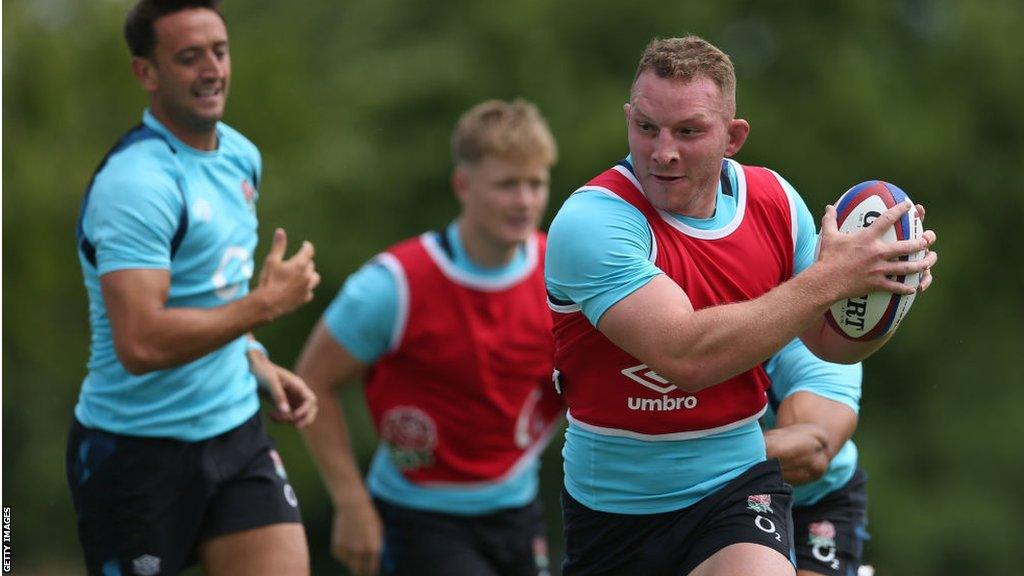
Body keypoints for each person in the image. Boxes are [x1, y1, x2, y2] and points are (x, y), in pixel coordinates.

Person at [544, 35, 937, 576]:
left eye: (688, 131)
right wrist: (829, 279)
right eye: (646, 127)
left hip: (737, 485)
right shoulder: (593, 222)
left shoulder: (774, 201)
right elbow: (685, 357)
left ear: (733, 137)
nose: (663, 152)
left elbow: (833, 344)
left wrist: (885, 289)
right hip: (613, 508)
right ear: (628, 118)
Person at [66, 1, 320, 575]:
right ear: (146, 73)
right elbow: (142, 344)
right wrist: (264, 307)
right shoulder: (136, 185)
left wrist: (253, 358)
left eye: (220, 51)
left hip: (234, 434)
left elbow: (211, 296)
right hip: (133, 454)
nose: (212, 69)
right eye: (188, 57)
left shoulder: (240, 156)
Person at [296, 99, 564, 576]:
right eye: (507, 184)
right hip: (417, 519)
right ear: (463, 185)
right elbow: (312, 380)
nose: (524, 201)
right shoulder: (394, 284)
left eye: (536, 184)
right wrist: (352, 504)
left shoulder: (564, 276)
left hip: (518, 511)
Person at [763, 339, 869, 576]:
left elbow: (809, 454)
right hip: (706, 499)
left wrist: (714, 453)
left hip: (818, 501)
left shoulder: (824, 344)